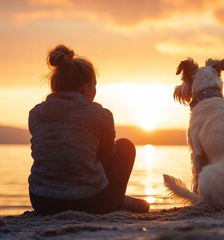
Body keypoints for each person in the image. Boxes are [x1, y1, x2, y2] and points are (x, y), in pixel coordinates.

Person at [28, 44, 149, 215]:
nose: (95, 90)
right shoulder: (101, 115)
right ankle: (119, 201)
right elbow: (106, 158)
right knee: (125, 146)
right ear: (86, 88)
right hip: (91, 202)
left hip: (42, 202)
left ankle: (120, 200)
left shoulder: (35, 114)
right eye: (94, 85)